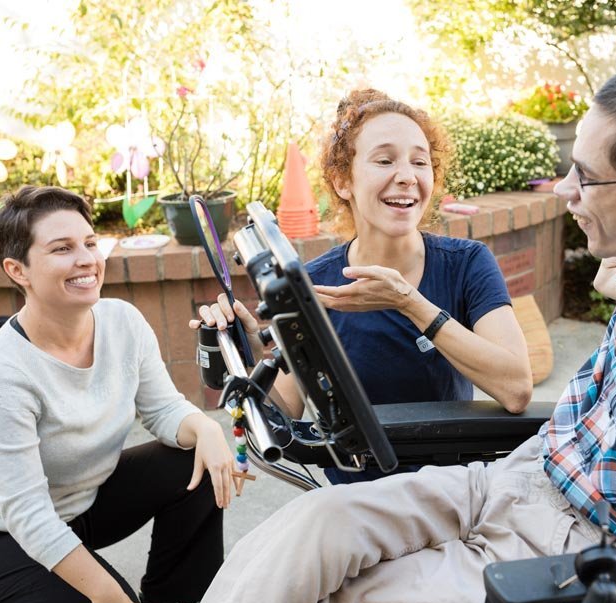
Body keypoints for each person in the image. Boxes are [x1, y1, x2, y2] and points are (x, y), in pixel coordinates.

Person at [191, 60, 616, 603]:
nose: (566, 192)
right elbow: (289, 400)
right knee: (308, 527)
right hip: (515, 476)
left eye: (587, 178)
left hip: (574, 543)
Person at [193, 88, 534, 483]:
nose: (406, 176)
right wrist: (252, 356)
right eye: (385, 160)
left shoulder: (467, 264)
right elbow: (285, 408)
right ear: (342, 181)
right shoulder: (316, 284)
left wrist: (410, 303)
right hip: (356, 494)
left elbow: (516, 387)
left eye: (419, 162)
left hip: (451, 489)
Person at [0, 186, 236, 603]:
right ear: (16, 269)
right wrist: (107, 598)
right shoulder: (2, 373)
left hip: (84, 502)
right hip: (3, 536)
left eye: (89, 243)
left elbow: (163, 411)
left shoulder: (122, 321)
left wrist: (208, 431)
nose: (86, 259)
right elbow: (27, 516)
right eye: (62, 249)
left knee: (195, 457)